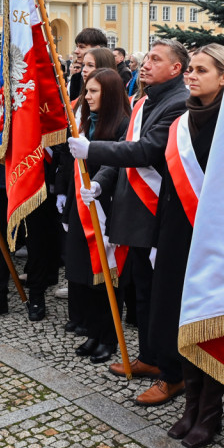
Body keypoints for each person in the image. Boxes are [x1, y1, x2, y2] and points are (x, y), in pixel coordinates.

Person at [68, 38, 190, 400]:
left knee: (160, 298)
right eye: (147, 57)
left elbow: (148, 150)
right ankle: (150, 358)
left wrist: (93, 148)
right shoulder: (146, 100)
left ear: (175, 69)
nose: (147, 64)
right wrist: (100, 184)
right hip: (133, 212)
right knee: (143, 296)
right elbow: (121, 160)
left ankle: (172, 372)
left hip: (156, 212)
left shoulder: (177, 102)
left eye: (156, 59)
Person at [148, 45, 224, 446]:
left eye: (201, 70)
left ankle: (210, 412)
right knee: (182, 319)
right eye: (190, 69)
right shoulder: (182, 121)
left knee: (209, 322)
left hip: (215, 237)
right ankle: (190, 404)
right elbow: (168, 183)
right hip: (177, 235)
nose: (191, 76)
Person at [58, 67, 131, 361]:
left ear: (110, 92)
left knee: (107, 277)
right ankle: (92, 332)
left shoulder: (122, 123)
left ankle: (108, 338)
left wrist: (99, 185)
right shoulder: (84, 121)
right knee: (85, 275)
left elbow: (115, 162)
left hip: (107, 207)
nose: (86, 97)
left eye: (93, 91)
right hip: (82, 205)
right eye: (86, 91)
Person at [68, 28, 109, 100]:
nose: (76, 51)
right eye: (77, 46)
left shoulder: (111, 79)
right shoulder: (76, 78)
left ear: (97, 49)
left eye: (82, 47)